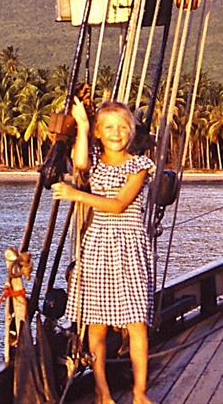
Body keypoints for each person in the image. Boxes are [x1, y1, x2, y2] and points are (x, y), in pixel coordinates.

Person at [52, 98, 156, 404]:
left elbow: (119, 204)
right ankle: (102, 391)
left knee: (137, 323)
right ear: (100, 132)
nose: (116, 133)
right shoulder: (94, 160)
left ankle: (139, 392)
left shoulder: (139, 166)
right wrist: (82, 125)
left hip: (129, 247)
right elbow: (80, 163)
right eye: (108, 127)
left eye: (123, 127)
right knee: (95, 326)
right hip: (97, 246)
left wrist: (76, 195)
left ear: (132, 132)